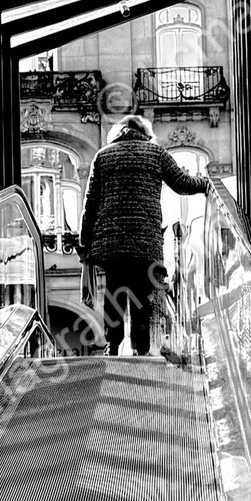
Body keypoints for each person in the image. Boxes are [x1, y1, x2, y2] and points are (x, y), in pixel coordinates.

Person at [78, 114, 209, 357]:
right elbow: (182, 183)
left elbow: (90, 203)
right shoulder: (155, 153)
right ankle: (141, 348)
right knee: (141, 295)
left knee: (114, 290)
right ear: (144, 131)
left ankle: (113, 345)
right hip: (145, 242)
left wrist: (84, 242)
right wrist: (206, 184)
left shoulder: (103, 155)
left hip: (111, 243)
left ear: (119, 132)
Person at [0, 215, 37, 309]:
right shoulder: (32, 243)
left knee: (6, 315)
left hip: (6, 284)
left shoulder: (2, 243)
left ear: (22, 229)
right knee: (26, 314)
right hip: (27, 284)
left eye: (12, 226)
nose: (8, 227)